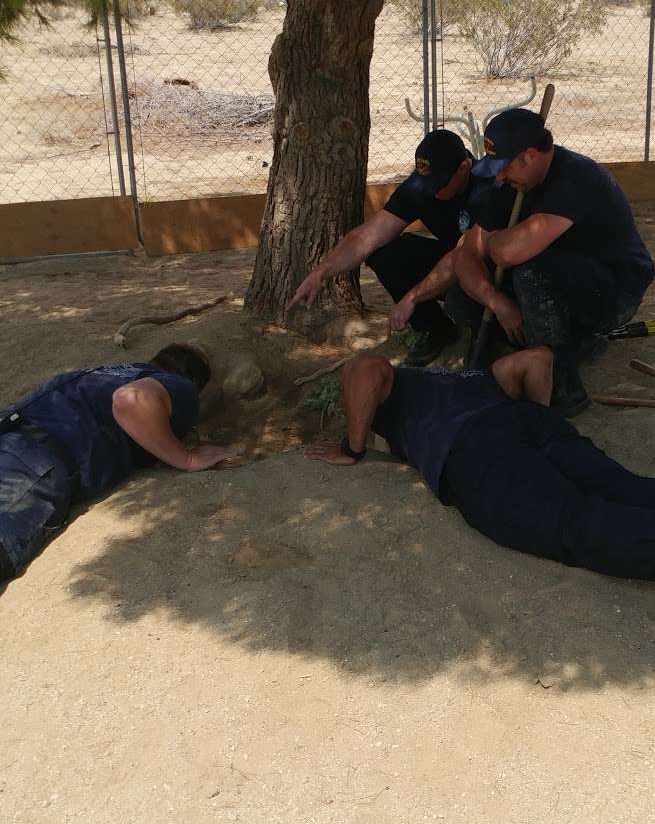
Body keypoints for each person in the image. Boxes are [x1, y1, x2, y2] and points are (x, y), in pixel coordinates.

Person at [304, 347, 655, 657]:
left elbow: (365, 368)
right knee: (630, 489)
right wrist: (540, 432)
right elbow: (536, 359)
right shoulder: (464, 378)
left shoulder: (391, 383)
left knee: (571, 523)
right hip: (530, 425)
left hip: (478, 453)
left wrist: (354, 447)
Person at [393, 109, 655, 415]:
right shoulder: (512, 183)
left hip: (614, 289)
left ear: (530, 157)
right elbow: (465, 256)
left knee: (532, 272)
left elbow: (508, 253)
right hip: (564, 278)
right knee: (461, 299)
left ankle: (563, 387)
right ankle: (572, 345)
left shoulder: (576, 178)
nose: (500, 176)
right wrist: (497, 302)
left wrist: (489, 242)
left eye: (504, 167)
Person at [0, 345, 234, 583]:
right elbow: (130, 400)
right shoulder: (178, 385)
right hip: (30, 463)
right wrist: (187, 458)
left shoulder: (95, 374)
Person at [288, 129, 475, 367]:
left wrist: (412, 297)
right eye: (427, 183)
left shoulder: (486, 187)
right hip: (453, 264)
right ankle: (435, 329)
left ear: (464, 167)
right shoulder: (420, 187)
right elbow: (368, 236)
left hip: (486, 268)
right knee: (385, 253)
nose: (432, 191)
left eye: (439, 184)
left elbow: (464, 255)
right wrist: (321, 273)